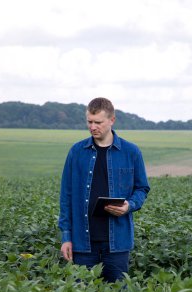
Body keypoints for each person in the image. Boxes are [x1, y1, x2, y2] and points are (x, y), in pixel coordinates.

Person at [58, 97, 150, 282]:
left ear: (112, 120)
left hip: (118, 244)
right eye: (89, 122)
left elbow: (142, 188)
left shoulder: (131, 152)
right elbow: (66, 197)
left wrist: (129, 205)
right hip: (82, 244)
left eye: (98, 122)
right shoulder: (76, 152)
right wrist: (66, 237)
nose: (93, 127)